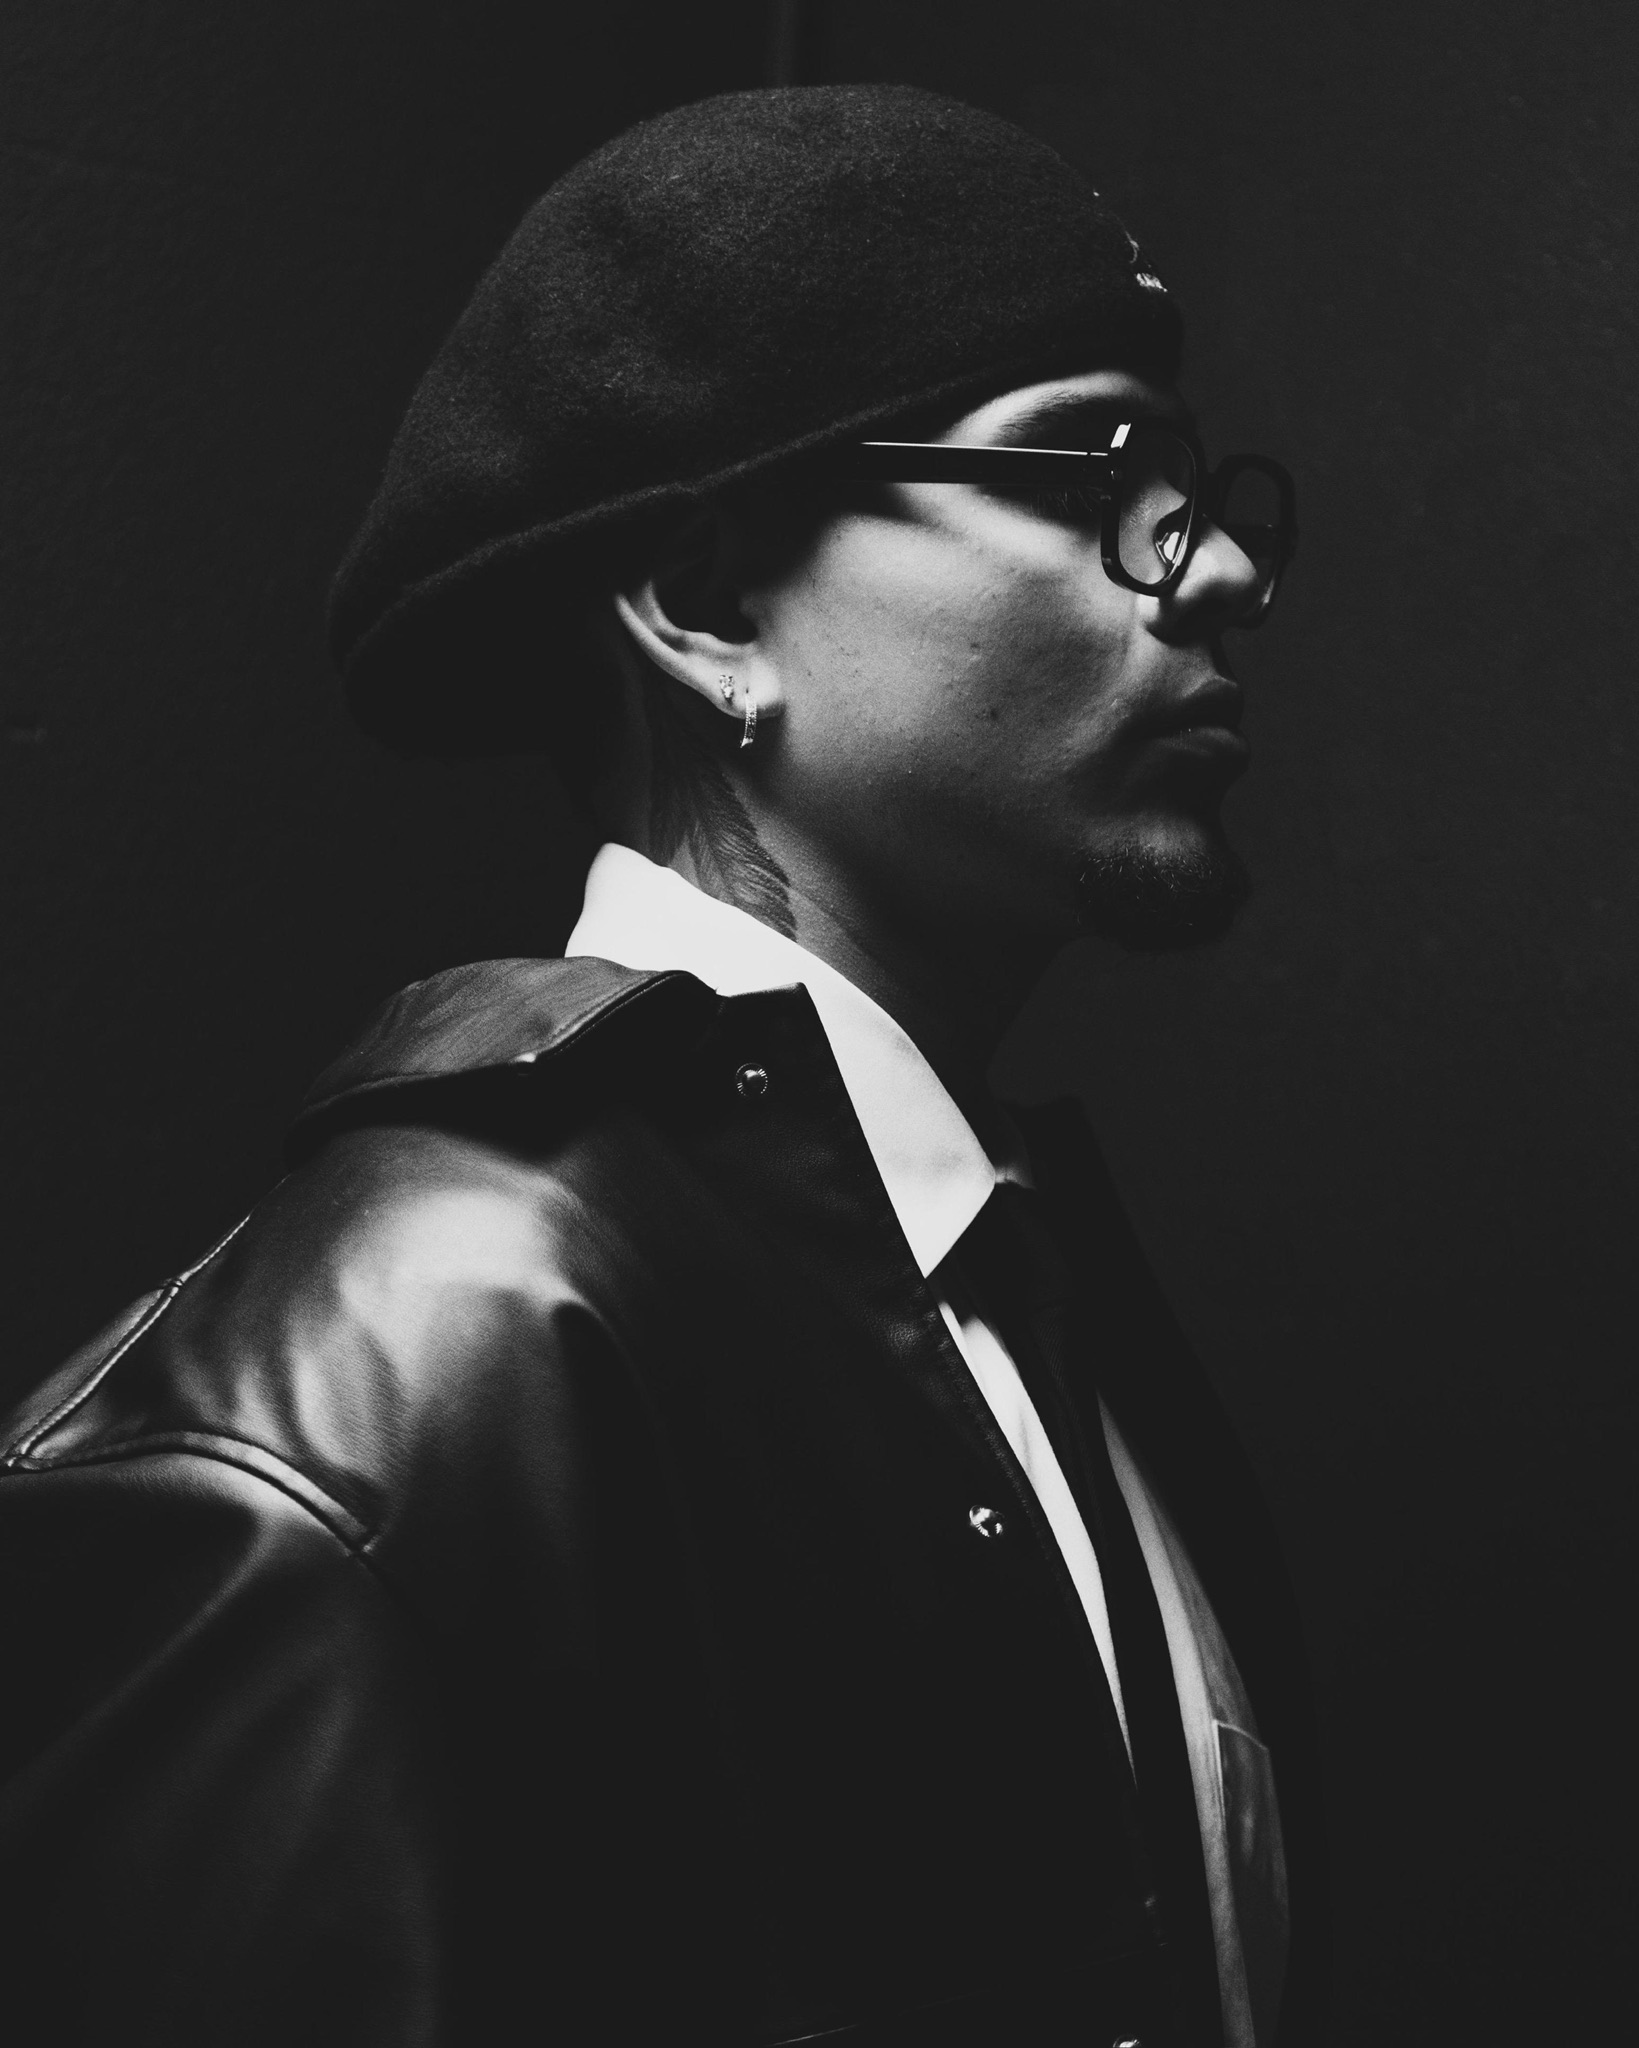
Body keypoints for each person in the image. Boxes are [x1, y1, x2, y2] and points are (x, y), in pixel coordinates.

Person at [0, 85, 1323, 2048]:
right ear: (708, 610)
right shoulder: (389, 1386)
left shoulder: (1028, 1293)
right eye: (1094, 464)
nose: (1212, 571)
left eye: (1194, 481)